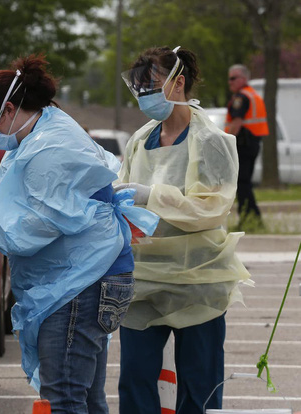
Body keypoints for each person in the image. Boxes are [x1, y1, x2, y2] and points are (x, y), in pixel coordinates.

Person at [0, 54, 158, 413]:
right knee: (84, 396)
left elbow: (36, 226)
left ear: (10, 108)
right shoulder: (43, 133)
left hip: (81, 282)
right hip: (87, 275)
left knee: (63, 396)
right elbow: (38, 210)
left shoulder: (49, 147)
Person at [116, 46, 252, 414]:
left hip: (197, 280)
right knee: (135, 379)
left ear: (179, 83)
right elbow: (122, 197)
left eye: (152, 85)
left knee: (200, 387)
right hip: (143, 279)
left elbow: (210, 207)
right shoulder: (139, 141)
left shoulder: (210, 141)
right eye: (140, 87)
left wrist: (151, 196)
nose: (144, 94)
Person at [225, 64, 268, 229]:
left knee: (242, 184)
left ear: (243, 78)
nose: (230, 82)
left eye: (233, 78)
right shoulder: (253, 95)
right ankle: (253, 219)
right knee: (245, 183)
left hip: (243, 144)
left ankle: (250, 218)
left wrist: (226, 143)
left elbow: (236, 124)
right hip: (253, 143)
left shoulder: (240, 98)